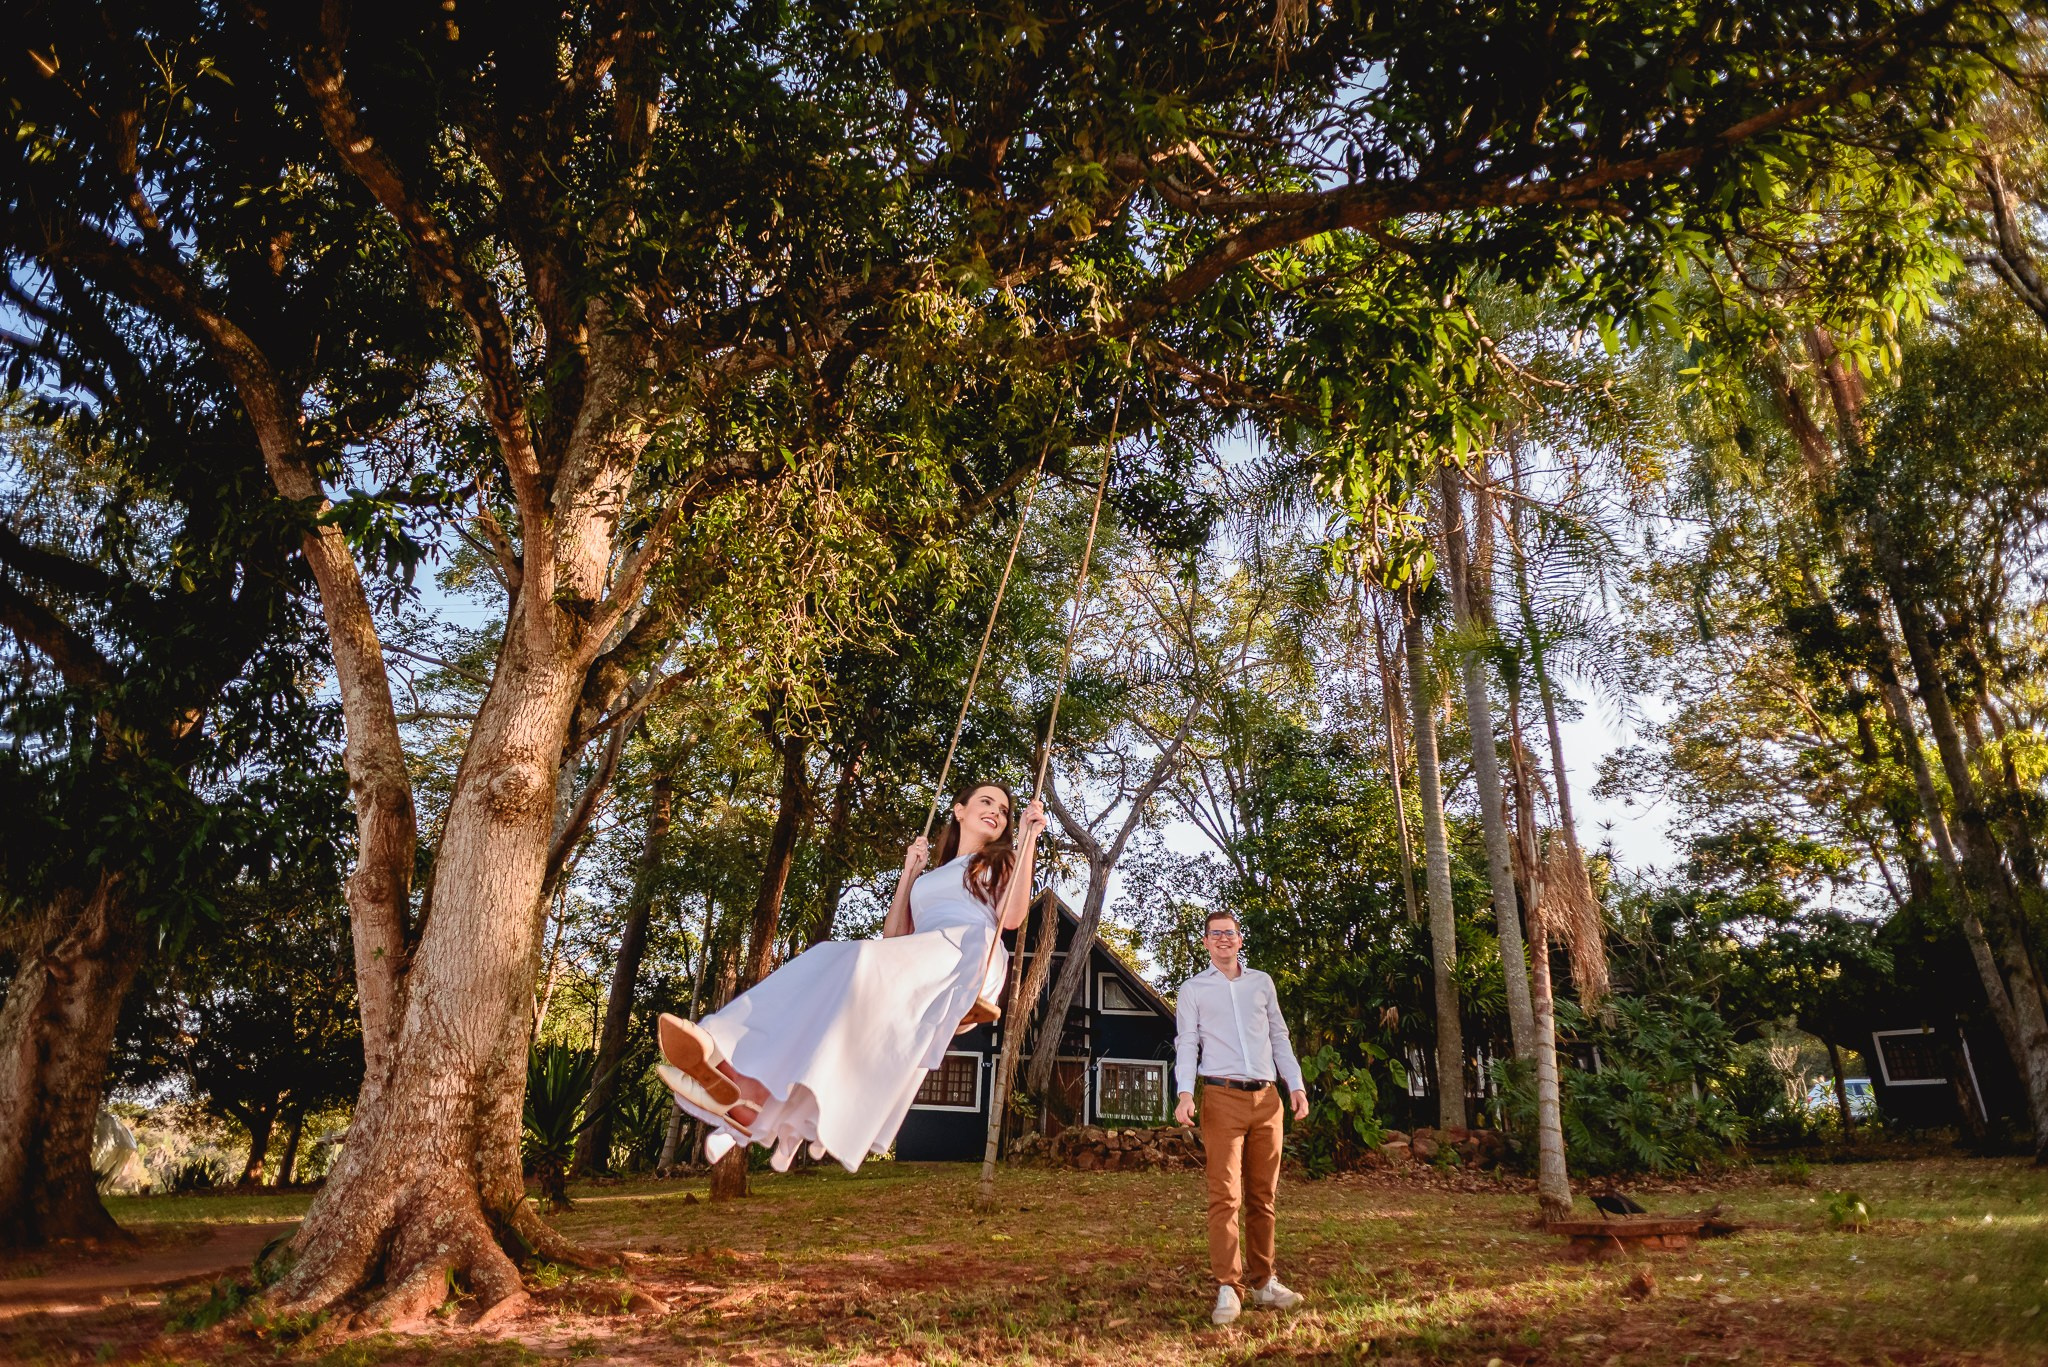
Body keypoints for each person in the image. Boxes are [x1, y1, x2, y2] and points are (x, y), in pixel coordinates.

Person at [654, 781, 1046, 1172]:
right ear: (959, 811)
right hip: (920, 952)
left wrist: (1027, 841)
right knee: (828, 961)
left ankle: (733, 1061)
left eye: (1005, 809)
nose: (998, 810)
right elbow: (893, 936)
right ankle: (746, 1089)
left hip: (966, 951)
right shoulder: (932, 875)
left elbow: (1010, 918)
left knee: (857, 959)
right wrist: (910, 874)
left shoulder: (1002, 859)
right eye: (986, 801)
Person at [1172, 908, 1309, 1326]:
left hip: (1268, 1100)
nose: (1223, 940)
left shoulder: (1261, 983)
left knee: (1263, 1197)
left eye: (1229, 933)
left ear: (1240, 939)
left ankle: (1265, 1281)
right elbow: (1187, 1043)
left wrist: (1296, 1085)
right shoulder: (1193, 989)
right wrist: (1183, 1094)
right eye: (1215, 934)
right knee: (1225, 1195)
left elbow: (1279, 1037)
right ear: (1206, 942)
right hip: (1221, 1097)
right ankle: (1229, 1287)